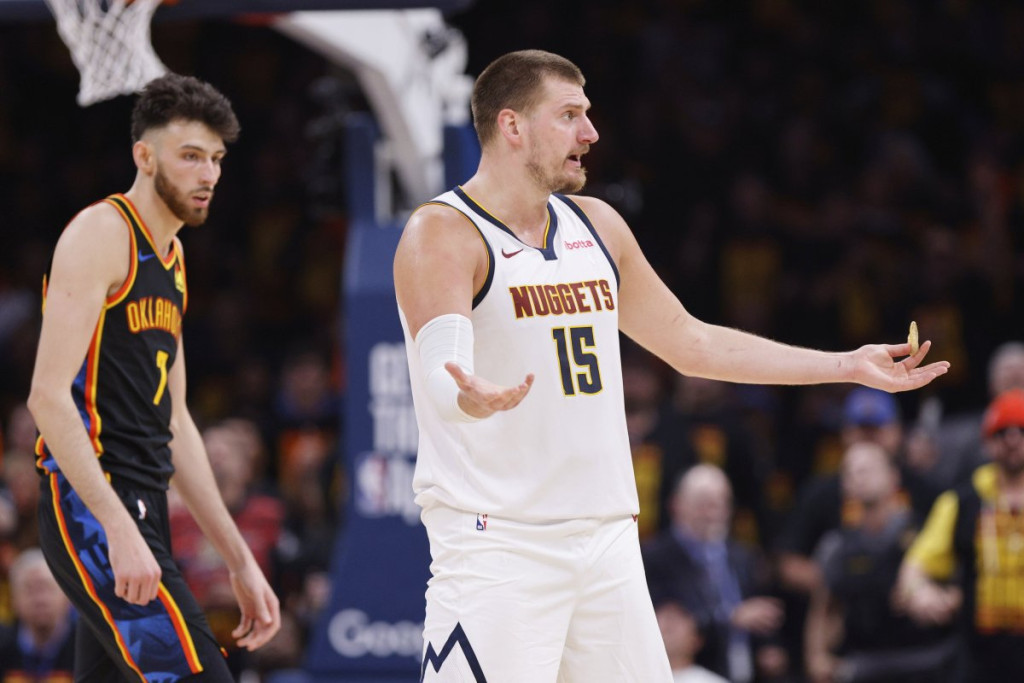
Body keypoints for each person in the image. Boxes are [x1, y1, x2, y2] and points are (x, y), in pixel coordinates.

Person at [392, 49, 949, 682]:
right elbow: (442, 370)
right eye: (569, 115)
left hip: (606, 539)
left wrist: (847, 365)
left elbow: (692, 343)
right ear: (512, 125)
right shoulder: (444, 231)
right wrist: (469, 396)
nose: (590, 133)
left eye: (588, 113)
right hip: (501, 542)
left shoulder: (597, 225)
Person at [27, 73, 280, 682]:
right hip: (91, 506)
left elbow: (176, 421)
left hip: (145, 502)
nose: (208, 174)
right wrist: (116, 526)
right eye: (190, 156)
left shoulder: (174, 258)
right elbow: (47, 397)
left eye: (216, 159)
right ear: (145, 157)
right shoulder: (102, 233)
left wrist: (239, 558)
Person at [897, 388, 1024, 682]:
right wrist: (919, 591)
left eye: (1021, 430)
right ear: (987, 443)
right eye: (1002, 432)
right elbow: (915, 565)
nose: (1013, 440)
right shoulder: (961, 502)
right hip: (979, 655)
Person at [804, 442, 956, 683]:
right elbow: (825, 608)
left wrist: (938, 600)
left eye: (868, 469)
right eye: (851, 471)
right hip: (866, 663)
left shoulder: (927, 531)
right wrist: (817, 658)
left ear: (894, 476)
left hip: (926, 660)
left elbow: (961, 589)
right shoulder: (837, 546)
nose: (859, 476)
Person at [643, 465, 786, 683]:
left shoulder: (743, 557)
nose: (714, 513)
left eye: (722, 503)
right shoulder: (654, 558)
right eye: (704, 504)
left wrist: (768, 647)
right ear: (677, 505)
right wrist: (730, 619)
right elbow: (667, 621)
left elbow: (755, 614)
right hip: (686, 673)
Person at [0, 547, 75, 682]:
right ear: (13, 599)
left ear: (67, 596)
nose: (39, 599)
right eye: (29, 589)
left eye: (47, 588)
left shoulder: (88, 646)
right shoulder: (3, 646)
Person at [655, 600, 728, 683]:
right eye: (665, 615)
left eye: (681, 615)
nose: (670, 623)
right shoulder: (643, 676)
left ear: (697, 640)